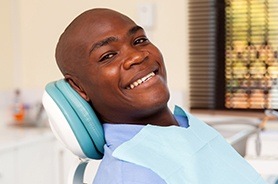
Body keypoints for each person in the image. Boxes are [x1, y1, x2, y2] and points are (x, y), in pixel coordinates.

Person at [55, 8, 265, 184]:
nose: (137, 55)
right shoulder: (131, 173)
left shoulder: (185, 126)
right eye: (108, 56)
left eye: (139, 40)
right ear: (79, 87)